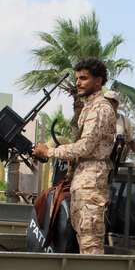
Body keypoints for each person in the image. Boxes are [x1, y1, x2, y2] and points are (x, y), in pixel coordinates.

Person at [32, 58, 117, 254]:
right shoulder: (90, 107)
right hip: (84, 180)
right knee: (84, 242)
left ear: (98, 81)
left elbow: (84, 147)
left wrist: (49, 151)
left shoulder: (100, 108)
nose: (78, 82)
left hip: (91, 182)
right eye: (77, 78)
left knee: (90, 245)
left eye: (83, 78)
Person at [103, 90, 135, 163]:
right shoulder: (97, 118)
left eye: (109, 102)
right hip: (97, 159)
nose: (105, 105)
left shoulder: (124, 121)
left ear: (116, 104)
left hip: (114, 161)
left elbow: (131, 142)